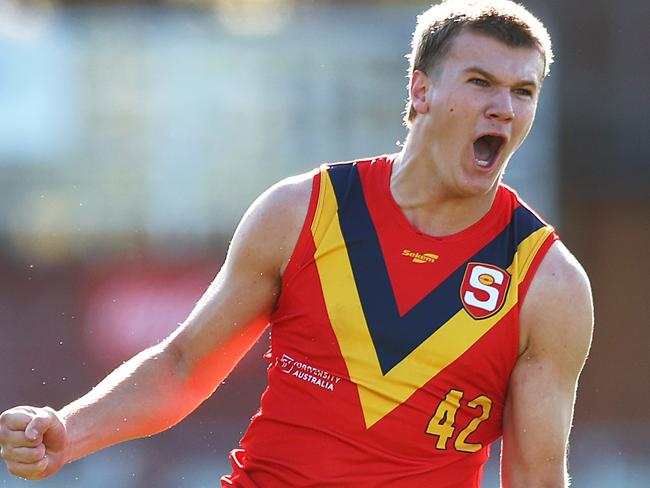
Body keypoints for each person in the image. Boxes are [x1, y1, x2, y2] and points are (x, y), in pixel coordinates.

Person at [0, 1, 593, 486]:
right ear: (420, 92)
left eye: (524, 91)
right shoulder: (303, 210)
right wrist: (67, 431)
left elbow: (537, 481)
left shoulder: (548, 281)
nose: (504, 108)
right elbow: (182, 366)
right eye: (481, 82)